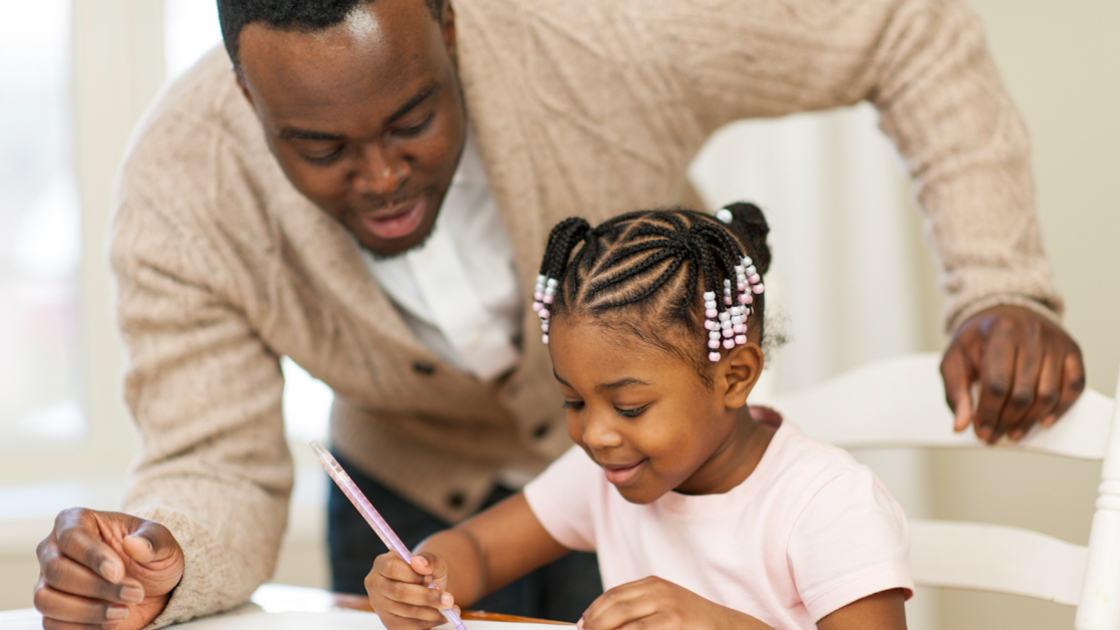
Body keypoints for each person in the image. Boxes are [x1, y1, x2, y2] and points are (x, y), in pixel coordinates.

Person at [32, 0, 1082, 628]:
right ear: (244, 95)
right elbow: (214, 464)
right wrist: (157, 554)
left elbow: (903, 23)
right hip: (410, 486)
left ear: (449, 23)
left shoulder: (604, 33)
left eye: (413, 118)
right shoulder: (180, 190)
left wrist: (996, 283)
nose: (384, 175)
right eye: (321, 148)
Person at [369, 204, 913, 630]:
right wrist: (423, 575)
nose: (597, 435)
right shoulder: (607, 475)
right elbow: (481, 550)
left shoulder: (828, 503)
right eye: (575, 402)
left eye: (630, 407)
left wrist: (718, 625)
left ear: (734, 377)